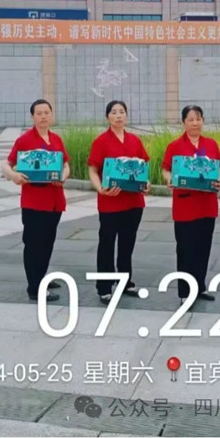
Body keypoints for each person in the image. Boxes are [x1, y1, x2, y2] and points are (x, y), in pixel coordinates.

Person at [2, 99, 71, 303]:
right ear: (32, 116)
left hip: (54, 200)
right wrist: (14, 176)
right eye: (39, 113)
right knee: (34, 244)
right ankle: (35, 288)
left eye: (46, 112)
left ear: (51, 115)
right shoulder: (24, 140)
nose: (43, 116)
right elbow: (6, 164)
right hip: (34, 202)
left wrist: (63, 176)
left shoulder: (56, 139)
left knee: (47, 242)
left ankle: (41, 277)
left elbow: (66, 165)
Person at [162, 105, 220, 305]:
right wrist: (169, 179)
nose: (195, 123)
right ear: (183, 123)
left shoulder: (211, 144)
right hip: (185, 205)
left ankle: (199, 286)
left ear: (203, 121)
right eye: (190, 119)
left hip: (207, 204)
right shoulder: (175, 146)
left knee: (203, 247)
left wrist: (219, 177)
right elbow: (166, 169)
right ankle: (185, 292)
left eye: (198, 119)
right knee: (185, 249)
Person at [88, 100, 151, 303]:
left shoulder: (134, 140)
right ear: (108, 117)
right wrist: (100, 188)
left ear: (126, 116)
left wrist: (147, 183)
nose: (118, 116)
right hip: (110, 202)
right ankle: (104, 286)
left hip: (133, 202)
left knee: (127, 243)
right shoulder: (101, 141)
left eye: (122, 112)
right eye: (114, 112)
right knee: (107, 243)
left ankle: (125, 282)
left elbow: (143, 167)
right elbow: (93, 170)